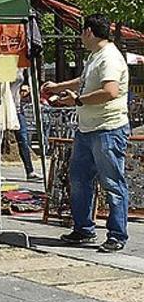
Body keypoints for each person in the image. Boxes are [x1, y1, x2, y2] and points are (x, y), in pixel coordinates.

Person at [41, 14, 130, 253]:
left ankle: (117, 234)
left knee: (112, 182)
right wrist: (60, 87)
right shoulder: (95, 56)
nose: (80, 36)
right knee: (79, 179)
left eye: (82, 31)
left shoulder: (110, 57)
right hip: (87, 128)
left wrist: (78, 100)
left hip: (107, 128)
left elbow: (110, 91)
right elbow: (86, 80)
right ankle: (83, 229)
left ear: (89, 31)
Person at [11, 71, 39, 181]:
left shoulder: (22, 65)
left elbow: (25, 83)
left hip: (18, 109)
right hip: (4, 107)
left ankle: (30, 171)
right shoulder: (4, 62)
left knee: (23, 140)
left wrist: (26, 87)